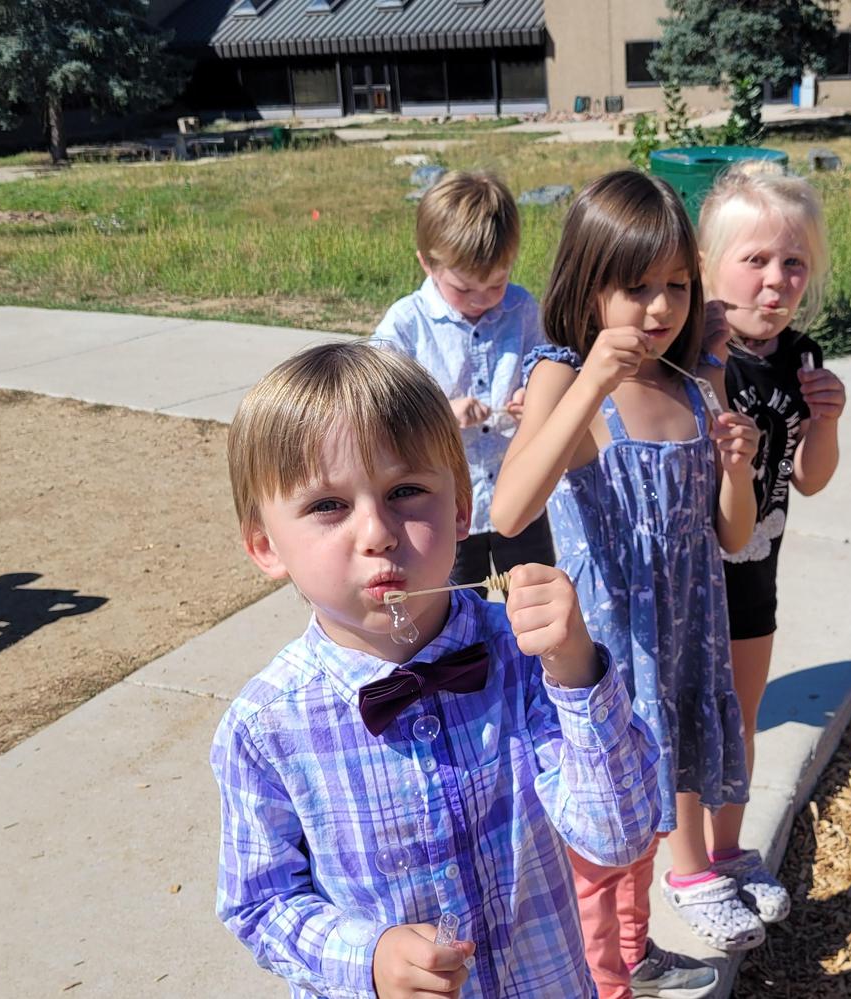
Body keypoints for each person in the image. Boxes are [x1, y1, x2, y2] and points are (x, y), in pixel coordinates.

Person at [211, 342, 660, 999]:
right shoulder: (265, 726)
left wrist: (577, 669)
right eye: (328, 506)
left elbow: (619, 835)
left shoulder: (523, 660)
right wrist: (366, 956)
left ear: (459, 510)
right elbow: (259, 902)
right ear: (264, 545)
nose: (378, 532)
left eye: (405, 491)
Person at [489, 170, 763, 999]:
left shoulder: (687, 385)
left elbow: (733, 535)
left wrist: (738, 468)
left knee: (646, 825)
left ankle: (632, 953)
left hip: (681, 647)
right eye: (636, 286)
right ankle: (596, 976)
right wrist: (590, 388)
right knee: (601, 836)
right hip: (608, 653)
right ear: (587, 282)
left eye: (676, 285)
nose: (660, 307)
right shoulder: (559, 375)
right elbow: (509, 509)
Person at [694, 165, 845, 927]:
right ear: (706, 265)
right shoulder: (690, 355)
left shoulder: (803, 358)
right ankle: (690, 870)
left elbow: (811, 481)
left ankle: (729, 849)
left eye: (792, 262)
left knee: (742, 719)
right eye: (753, 260)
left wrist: (827, 421)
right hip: (690, 581)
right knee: (696, 720)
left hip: (757, 575)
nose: (774, 280)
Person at [373, 170, 554, 594]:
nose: (481, 299)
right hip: (446, 506)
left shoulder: (522, 308)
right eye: (463, 288)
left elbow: (545, 366)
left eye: (495, 283)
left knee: (531, 597)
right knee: (453, 607)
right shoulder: (407, 324)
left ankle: (530, 664)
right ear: (427, 262)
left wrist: (536, 396)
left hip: (519, 492)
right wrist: (441, 414)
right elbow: (376, 406)